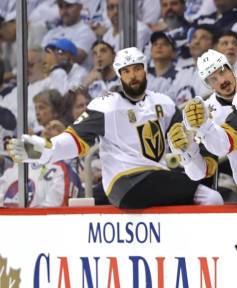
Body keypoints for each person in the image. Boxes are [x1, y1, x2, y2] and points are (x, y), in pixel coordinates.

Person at [7, 47, 223, 209]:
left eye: (137, 69)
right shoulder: (106, 105)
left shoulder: (163, 103)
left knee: (208, 192)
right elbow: (75, 139)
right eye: (126, 71)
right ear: (120, 75)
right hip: (125, 183)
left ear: (145, 70)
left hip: (157, 177)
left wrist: (194, 147)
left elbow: (185, 139)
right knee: (210, 197)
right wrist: (44, 150)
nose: (133, 75)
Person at [188, 49, 237, 203]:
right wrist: (188, 153)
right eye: (213, 79)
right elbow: (207, 162)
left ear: (230, 67)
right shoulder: (205, 113)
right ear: (208, 85)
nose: (221, 80)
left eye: (222, 71)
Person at [41, 0, 97, 65]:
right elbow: (39, 55)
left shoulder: (86, 32)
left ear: (80, 7)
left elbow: (74, 58)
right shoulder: (52, 32)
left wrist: (47, 56)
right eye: (60, 6)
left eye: (68, 6)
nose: (64, 11)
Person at [172, 24, 216, 107]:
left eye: (203, 38)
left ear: (213, 46)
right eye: (194, 37)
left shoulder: (215, 73)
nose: (196, 42)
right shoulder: (181, 73)